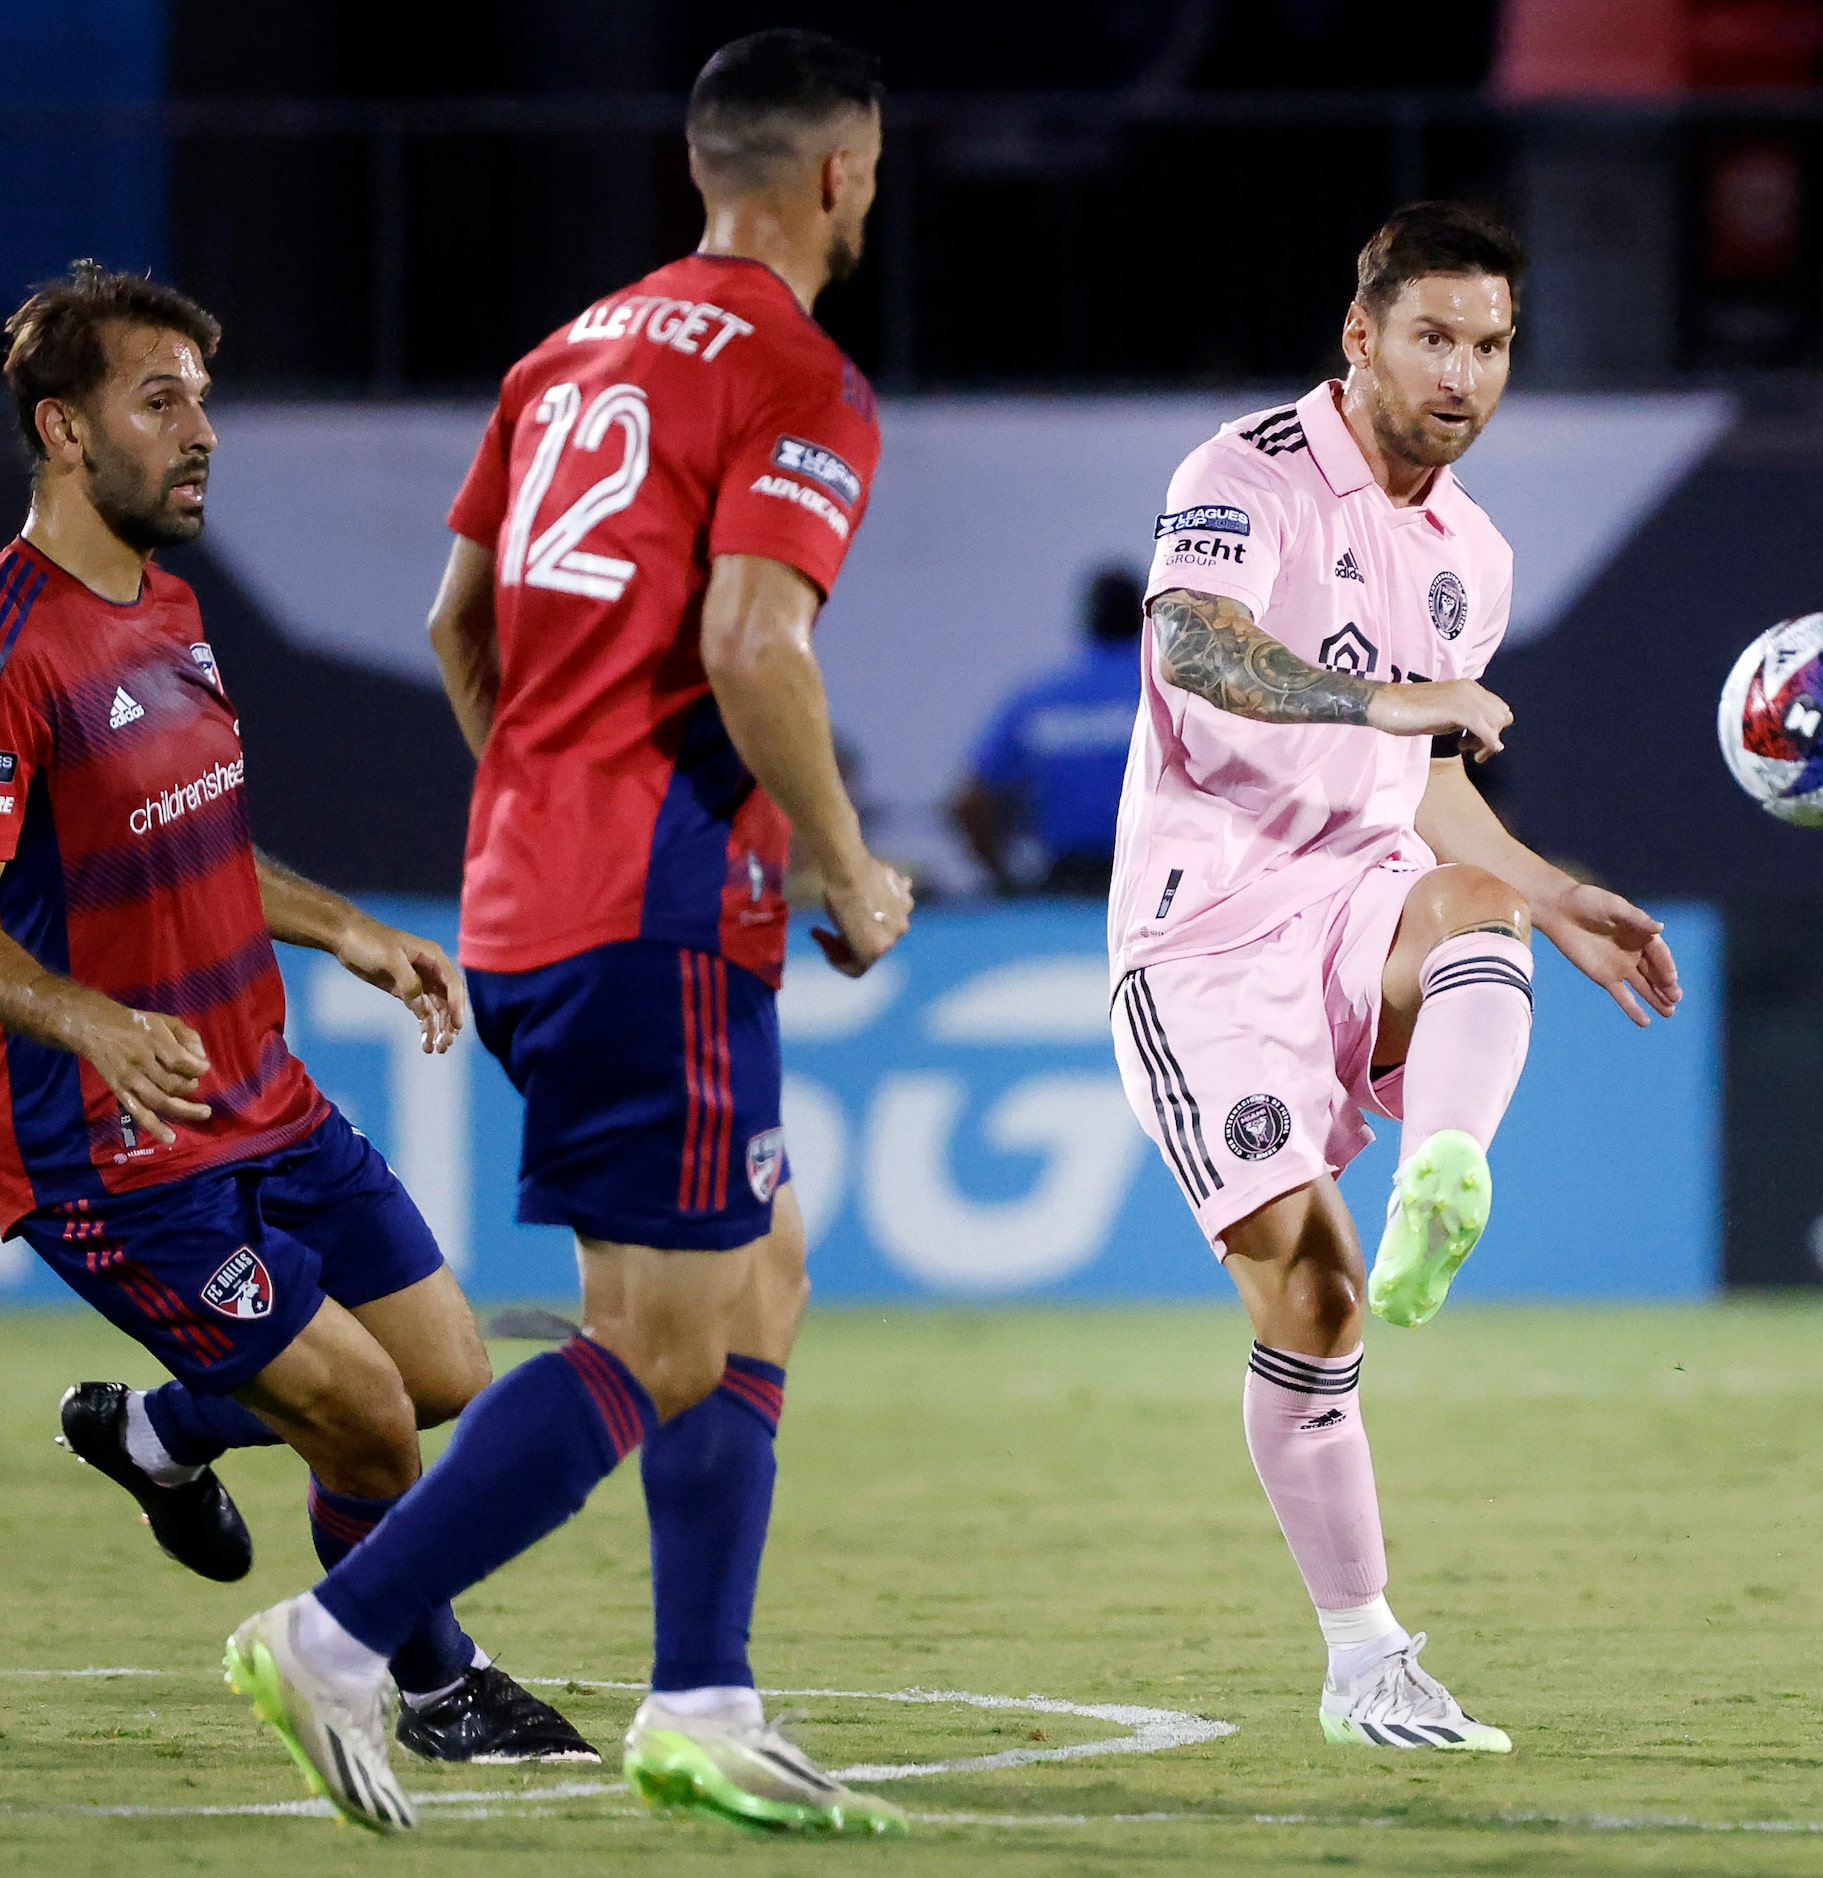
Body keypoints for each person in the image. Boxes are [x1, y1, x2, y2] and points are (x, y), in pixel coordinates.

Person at [225, 30, 914, 1837]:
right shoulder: (799, 375)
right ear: (842, 172)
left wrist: (549, 790)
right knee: (660, 1340)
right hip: (662, 910)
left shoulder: (567, 353)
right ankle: (340, 1629)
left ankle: (701, 1696)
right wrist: (847, 864)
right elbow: (755, 641)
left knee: (757, 1275)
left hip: (535, 889)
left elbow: (461, 626)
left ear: (706, 169)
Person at [1108, 203, 1682, 1753]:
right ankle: (1360, 1656)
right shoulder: (1243, 472)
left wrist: (1561, 898)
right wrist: (1383, 696)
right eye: (1432, 336)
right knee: (1314, 1292)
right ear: (1358, 337)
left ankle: (1444, 1165)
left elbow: (1422, 782)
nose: (1463, 373)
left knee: (1479, 906)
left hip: (1356, 893)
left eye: (1489, 344)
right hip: (1204, 932)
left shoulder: (1468, 554)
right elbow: (1196, 652)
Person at [0, 262, 592, 1762]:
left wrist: (350, 929)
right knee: (373, 1420)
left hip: (262, 1093)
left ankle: (159, 1430)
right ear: (62, 431)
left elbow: (200, 835)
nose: (200, 431)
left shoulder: (177, 609)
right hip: (121, 1154)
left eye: (204, 398)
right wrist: (86, 1020)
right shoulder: (16, 649)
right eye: (159, 400)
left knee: (447, 1374)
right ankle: (437, 1684)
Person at [952, 565, 1144, 894]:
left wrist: (1005, 881)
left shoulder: (1037, 702)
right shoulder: (1169, 696)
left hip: (1062, 888)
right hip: (1151, 884)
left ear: (1088, 620)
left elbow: (970, 803)